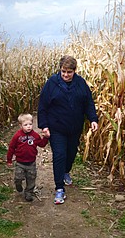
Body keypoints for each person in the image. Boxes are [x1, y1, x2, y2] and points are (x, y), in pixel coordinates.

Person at [37, 55, 98, 204]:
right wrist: (44, 125)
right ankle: (59, 189)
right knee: (59, 155)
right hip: (56, 127)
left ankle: (66, 171)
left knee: (71, 154)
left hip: (74, 127)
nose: (65, 74)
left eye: (69, 72)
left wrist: (93, 119)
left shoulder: (81, 83)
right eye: (63, 71)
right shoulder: (52, 83)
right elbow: (42, 106)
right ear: (60, 70)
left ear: (74, 71)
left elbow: (88, 103)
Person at [7, 113, 48, 202]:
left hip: (31, 163)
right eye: (25, 125)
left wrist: (46, 138)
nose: (28, 126)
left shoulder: (35, 135)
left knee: (31, 179)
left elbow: (42, 144)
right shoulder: (17, 136)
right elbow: (11, 147)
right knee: (18, 178)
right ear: (20, 125)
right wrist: (9, 159)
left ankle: (28, 193)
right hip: (20, 163)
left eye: (30, 124)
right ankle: (18, 185)